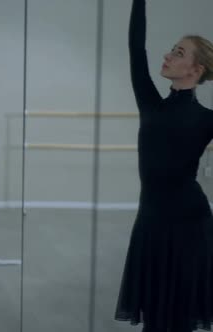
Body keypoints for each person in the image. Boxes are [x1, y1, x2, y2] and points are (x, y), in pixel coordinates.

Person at [115, 0, 213, 331]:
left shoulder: (206, 119)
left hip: (189, 224)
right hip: (151, 222)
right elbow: (135, 48)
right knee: (154, 317)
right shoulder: (151, 104)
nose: (167, 56)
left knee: (179, 317)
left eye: (179, 53)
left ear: (196, 70)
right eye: (171, 49)